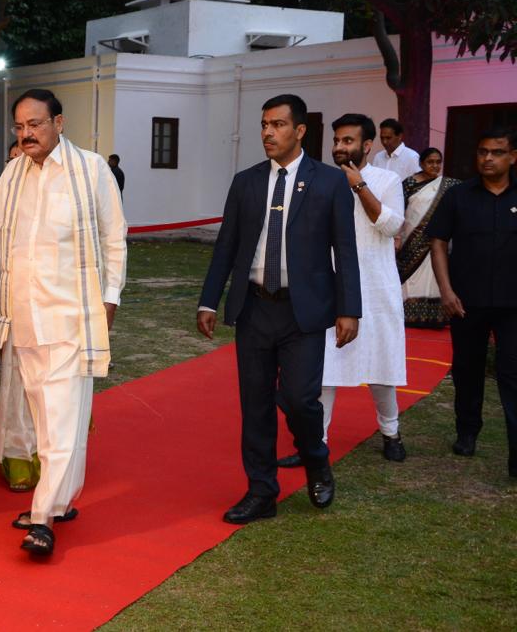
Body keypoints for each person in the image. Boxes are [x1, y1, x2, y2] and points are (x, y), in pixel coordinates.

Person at [0, 88, 127, 556]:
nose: (26, 133)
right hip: (23, 318)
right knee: (47, 420)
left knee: (61, 420)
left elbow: (115, 238)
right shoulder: (13, 173)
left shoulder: (91, 169)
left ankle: (42, 518)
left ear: (59, 122)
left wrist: (109, 299)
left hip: (72, 317)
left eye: (35, 124)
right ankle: (60, 502)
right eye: (19, 126)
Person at [197, 93, 361, 524]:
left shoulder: (328, 182)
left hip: (303, 312)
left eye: (279, 125)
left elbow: (344, 250)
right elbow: (226, 246)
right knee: (254, 403)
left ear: (300, 130)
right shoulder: (247, 181)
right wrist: (208, 299)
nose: (269, 132)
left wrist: (350, 309)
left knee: (301, 399)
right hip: (254, 308)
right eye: (264, 124)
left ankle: (316, 458)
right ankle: (261, 492)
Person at [278, 113, 407, 467]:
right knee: (325, 371)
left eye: (348, 141)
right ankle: (314, 445)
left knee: (382, 369)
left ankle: (391, 432)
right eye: (336, 141)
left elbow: (392, 226)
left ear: (367, 145)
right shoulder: (320, 180)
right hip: (330, 286)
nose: (339, 148)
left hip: (376, 288)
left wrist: (358, 186)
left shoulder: (387, 179)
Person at [427, 126, 517, 477]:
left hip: (513, 305)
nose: (488, 158)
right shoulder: (459, 196)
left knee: (512, 373)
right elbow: (437, 242)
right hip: (466, 301)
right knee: (467, 368)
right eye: (482, 152)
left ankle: (514, 451)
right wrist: (446, 291)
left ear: (512, 156)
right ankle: (467, 431)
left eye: (496, 152)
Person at [396, 147, 463, 327]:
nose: (434, 166)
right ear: (421, 163)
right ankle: (408, 315)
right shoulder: (409, 184)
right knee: (411, 278)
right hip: (412, 240)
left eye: (438, 162)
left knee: (434, 275)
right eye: (430, 162)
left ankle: (434, 317)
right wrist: (397, 237)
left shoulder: (450, 185)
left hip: (437, 241)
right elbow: (398, 210)